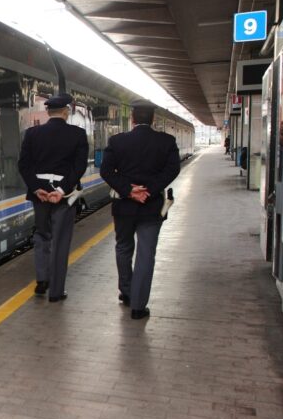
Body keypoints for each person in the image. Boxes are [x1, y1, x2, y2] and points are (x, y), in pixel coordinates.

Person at [100, 99, 180, 320]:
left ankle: (126, 292)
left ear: (133, 118)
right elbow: (173, 169)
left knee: (123, 248)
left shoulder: (117, 141)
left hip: (124, 207)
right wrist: (150, 190)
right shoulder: (166, 141)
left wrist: (128, 190)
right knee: (146, 254)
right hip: (151, 207)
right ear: (153, 119)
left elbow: (106, 171)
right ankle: (138, 305)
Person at [18, 93, 89, 302]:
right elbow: (79, 167)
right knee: (60, 241)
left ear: (48, 112)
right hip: (64, 197)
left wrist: (38, 188)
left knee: (42, 235)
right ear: (66, 112)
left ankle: (42, 280)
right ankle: (56, 292)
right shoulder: (77, 134)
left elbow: (24, 164)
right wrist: (60, 190)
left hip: (39, 196)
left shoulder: (32, 133)